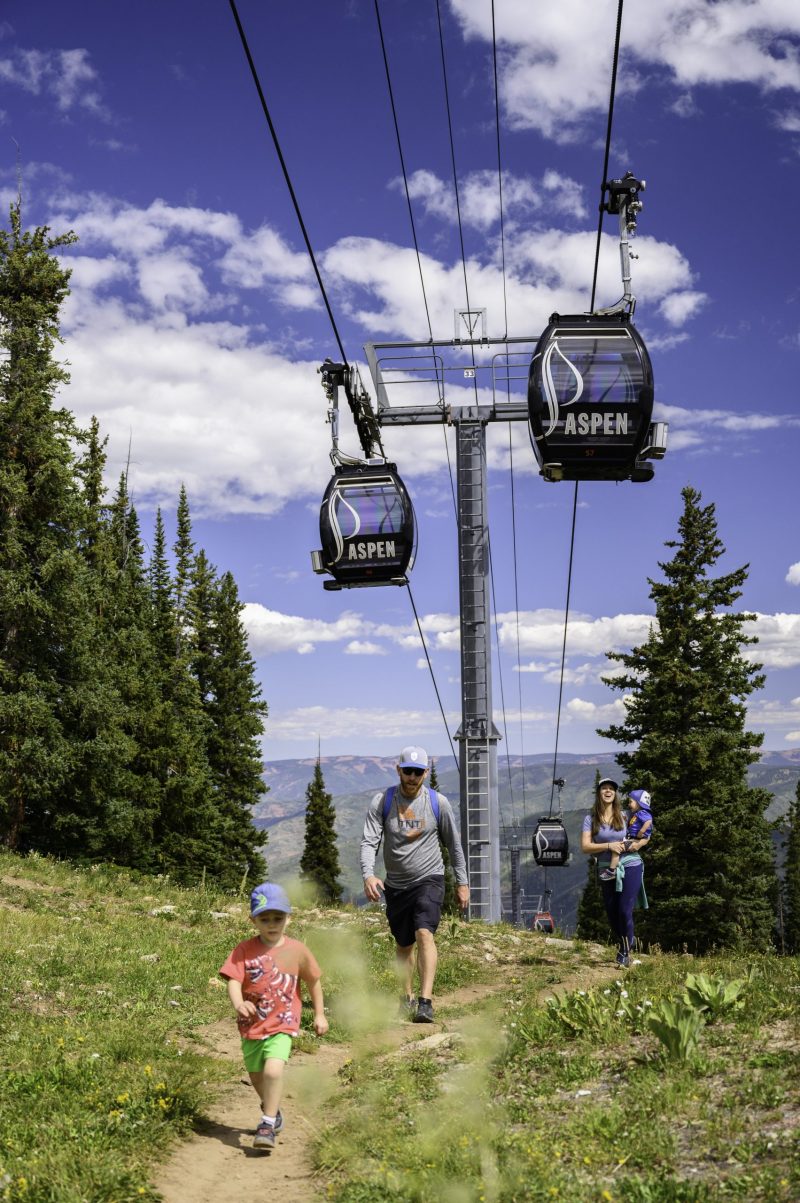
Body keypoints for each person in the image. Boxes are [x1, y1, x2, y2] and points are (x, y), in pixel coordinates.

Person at [360, 745, 469, 1024]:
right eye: (407, 771)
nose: (412, 777)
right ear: (398, 770)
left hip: (429, 879)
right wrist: (368, 874)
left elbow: (454, 845)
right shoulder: (382, 801)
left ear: (426, 774)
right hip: (396, 885)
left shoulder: (438, 803)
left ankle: (426, 1001)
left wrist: (462, 882)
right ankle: (406, 998)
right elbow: (370, 840)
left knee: (424, 933)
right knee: (404, 944)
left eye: (418, 772)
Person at [219, 881, 328, 1153]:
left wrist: (319, 1015)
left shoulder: (297, 950)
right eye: (264, 918)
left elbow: (314, 981)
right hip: (251, 1025)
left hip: (283, 1022)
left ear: (288, 918)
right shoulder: (243, 950)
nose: (272, 924)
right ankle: (273, 1109)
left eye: (278, 918)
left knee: (273, 1070)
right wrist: (239, 1002)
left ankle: (266, 1123)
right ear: (253, 920)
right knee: (257, 1077)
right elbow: (233, 979)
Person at [581, 777, 650, 967]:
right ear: (599, 793)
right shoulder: (590, 819)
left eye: (611, 788)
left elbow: (647, 828)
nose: (608, 791)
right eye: (604, 788)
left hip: (630, 863)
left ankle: (624, 952)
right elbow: (586, 846)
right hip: (606, 867)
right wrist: (609, 845)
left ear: (615, 793)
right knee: (612, 912)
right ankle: (625, 942)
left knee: (624, 909)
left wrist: (640, 843)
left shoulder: (626, 815)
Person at [599, 788, 654, 881]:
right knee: (617, 847)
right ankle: (611, 870)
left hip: (633, 842)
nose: (629, 804)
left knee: (616, 848)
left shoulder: (639, 814)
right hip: (631, 839)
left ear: (639, 803)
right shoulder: (636, 814)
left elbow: (649, 823)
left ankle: (611, 871)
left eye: (631, 802)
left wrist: (640, 839)